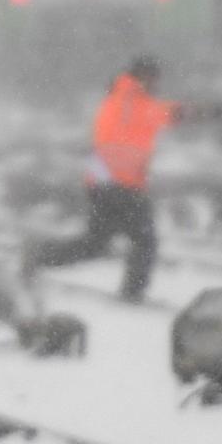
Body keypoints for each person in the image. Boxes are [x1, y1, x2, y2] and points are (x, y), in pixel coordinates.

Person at [29, 54, 179, 302]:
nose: (157, 85)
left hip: (103, 182)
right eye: (154, 79)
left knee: (95, 244)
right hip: (121, 185)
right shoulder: (136, 102)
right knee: (144, 240)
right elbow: (169, 114)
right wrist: (211, 112)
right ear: (145, 77)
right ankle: (133, 291)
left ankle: (40, 256)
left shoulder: (115, 99)